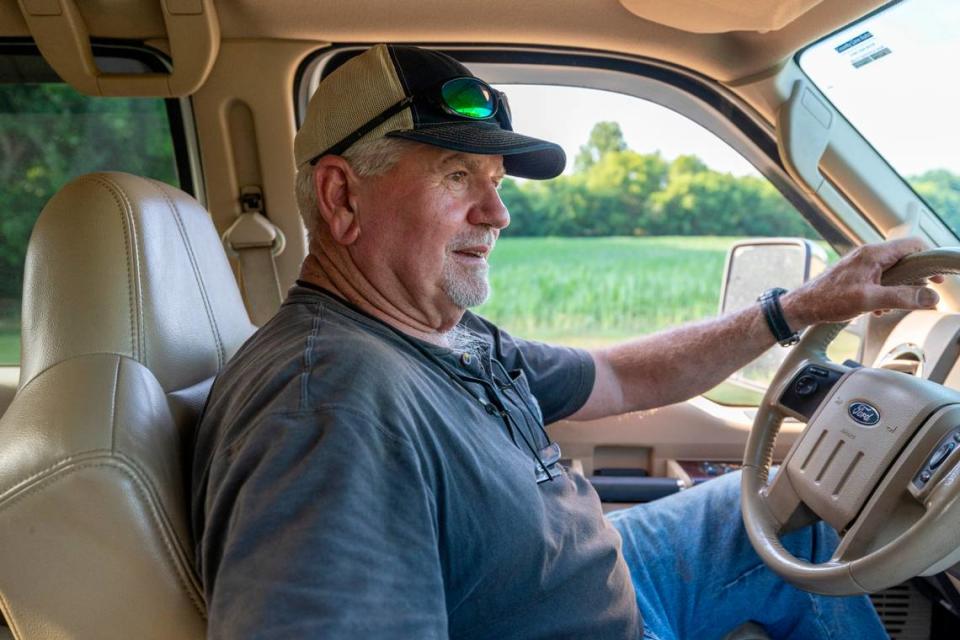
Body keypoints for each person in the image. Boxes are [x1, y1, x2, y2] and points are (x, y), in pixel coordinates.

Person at [190, 44, 939, 639]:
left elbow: (617, 376)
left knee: (783, 523)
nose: (498, 213)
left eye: (497, 180)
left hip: (616, 579)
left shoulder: (441, 335)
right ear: (341, 196)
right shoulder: (328, 408)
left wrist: (800, 308)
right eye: (458, 176)